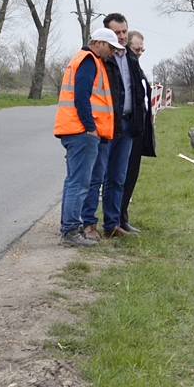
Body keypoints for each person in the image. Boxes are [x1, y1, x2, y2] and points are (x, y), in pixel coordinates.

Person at [81, 13, 147, 240]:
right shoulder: (101, 58)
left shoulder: (131, 57)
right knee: (96, 177)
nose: (122, 36)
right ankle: (89, 224)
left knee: (118, 178)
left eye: (124, 32)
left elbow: (137, 92)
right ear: (108, 33)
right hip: (105, 127)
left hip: (128, 127)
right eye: (117, 32)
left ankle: (113, 224)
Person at [54, 28, 121, 247]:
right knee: (80, 182)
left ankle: (69, 229)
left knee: (74, 181)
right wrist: (90, 127)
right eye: (110, 47)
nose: (112, 52)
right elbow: (81, 97)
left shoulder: (89, 60)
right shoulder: (88, 61)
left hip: (78, 130)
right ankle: (71, 232)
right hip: (82, 132)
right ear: (99, 43)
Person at [119, 30, 156, 233]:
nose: (139, 52)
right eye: (136, 49)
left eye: (142, 49)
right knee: (121, 176)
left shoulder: (137, 68)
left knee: (131, 175)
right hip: (128, 129)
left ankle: (123, 217)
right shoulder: (126, 67)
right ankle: (117, 218)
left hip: (138, 130)